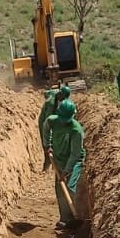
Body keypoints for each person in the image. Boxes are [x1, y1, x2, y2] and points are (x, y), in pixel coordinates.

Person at [42, 98, 85, 229]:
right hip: (59, 159)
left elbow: (75, 154)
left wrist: (66, 171)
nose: (62, 121)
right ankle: (65, 219)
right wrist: (47, 145)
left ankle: (78, 216)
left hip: (73, 161)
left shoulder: (76, 130)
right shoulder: (52, 121)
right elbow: (46, 126)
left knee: (70, 187)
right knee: (60, 189)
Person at [37, 84, 70, 171]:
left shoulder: (58, 96)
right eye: (62, 98)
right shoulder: (51, 104)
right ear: (59, 95)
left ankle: (55, 163)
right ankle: (47, 163)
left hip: (55, 119)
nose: (63, 100)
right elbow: (48, 123)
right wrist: (49, 144)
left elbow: (47, 93)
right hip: (44, 122)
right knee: (47, 142)